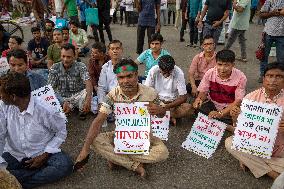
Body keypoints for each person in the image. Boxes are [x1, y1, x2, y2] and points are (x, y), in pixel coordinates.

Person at [75, 58, 169, 177]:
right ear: (117, 78)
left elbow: (162, 113)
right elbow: (98, 121)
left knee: (163, 153)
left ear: (136, 75)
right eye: (121, 77)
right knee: (94, 140)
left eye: (129, 76)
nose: (125, 81)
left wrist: (160, 110)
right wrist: (84, 150)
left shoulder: (150, 93)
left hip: (145, 137)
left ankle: (116, 158)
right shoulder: (112, 95)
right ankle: (134, 165)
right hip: (120, 135)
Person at [0, 72, 73, 189]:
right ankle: (20, 178)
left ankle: (16, 181)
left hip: (41, 152)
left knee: (64, 165)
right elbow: (0, 135)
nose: (0, 96)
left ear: (13, 97)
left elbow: (61, 132)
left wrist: (44, 155)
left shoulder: (46, 109)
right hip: (14, 153)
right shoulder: (3, 106)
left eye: (1, 93)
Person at [225, 63, 284, 180]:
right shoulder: (250, 98)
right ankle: (272, 174)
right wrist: (235, 117)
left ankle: (251, 162)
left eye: (279, 76)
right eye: (269, 76)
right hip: (255, 147)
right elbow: (241, 130)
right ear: (263, 79)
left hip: (280, 149)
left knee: (243, 154)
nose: (273, 80)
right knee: (230, 142)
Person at [192, 49, 247, 131]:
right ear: (216, 63)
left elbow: (238, 101)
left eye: (227, 65)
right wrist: (199, 99)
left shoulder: (241, 77)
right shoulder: (210, 73)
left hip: (229, 107)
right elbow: (203, 91)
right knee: (195, 106)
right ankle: (225, 125)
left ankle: (214, 121)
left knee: (237, 113)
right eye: (219, 64)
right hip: (213, 104)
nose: (223, 69)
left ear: (233, 65)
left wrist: (221, 113)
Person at [48, 43, 93, 119]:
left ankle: (79, 109)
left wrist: (88, 100)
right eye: (63, 56)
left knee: (88, 93)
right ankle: (70, 108)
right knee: (49, 102)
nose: (65, 59)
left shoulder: (81, 66)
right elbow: (50, 89)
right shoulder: (54, 67)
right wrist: (62, 101)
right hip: (62, 97)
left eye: (68, 57)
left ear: (74, 56)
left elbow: (88, 82)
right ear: (60, 56)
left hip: (78, 95)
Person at [145, 55, 192, 125]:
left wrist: (165, 107)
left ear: (173, 68)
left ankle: (163, 115)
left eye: (169, 72)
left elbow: (183, 97)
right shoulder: (153, 70)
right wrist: (157, 104)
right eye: (164, 72)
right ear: (159, 68)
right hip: (157, 101)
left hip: (172, 103)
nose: (166, 75)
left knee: (188, 108)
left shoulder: (179, 72)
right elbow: (147, 91)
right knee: (142, 103)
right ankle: (169, 115)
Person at [258, 0, 284, 82]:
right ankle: (263, 75)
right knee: (264, 56)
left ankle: (280, 76)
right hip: (268, 32)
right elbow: (261, 14)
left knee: (281, 59)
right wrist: (272, 13)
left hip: (282, 35)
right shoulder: (269, 1)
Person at [97, 40, 122, 109]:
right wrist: (100, 102)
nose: (115, 51)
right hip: (109, 97)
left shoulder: (127, 65)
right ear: (108, 52)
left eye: (117, 48)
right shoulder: (105, 67)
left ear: (121, 50)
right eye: (112, 49)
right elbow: (101, 87)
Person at [88, 42, 109, 114]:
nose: (92, 54)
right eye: (92, 52)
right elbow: (91, 75)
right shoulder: (91, 60)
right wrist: (95, 86)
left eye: (95, 53)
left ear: (102, 53)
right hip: (97, 85)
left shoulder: (110, 60)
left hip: (108, 84)